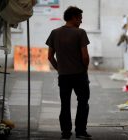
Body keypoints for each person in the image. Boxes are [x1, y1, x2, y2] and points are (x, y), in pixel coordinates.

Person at [46, 6, 91, 140]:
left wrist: (59, 69)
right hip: (79, 74)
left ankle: (66, 132)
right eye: (80, 18)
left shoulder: (54, 32)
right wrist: (85, 68)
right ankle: (80, 131)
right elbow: (85, 56)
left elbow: (49, 56)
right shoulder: (80, 33)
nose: (81, 21)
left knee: (65, 104)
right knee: (83, 102)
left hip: (64, 76)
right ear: (73, 17)